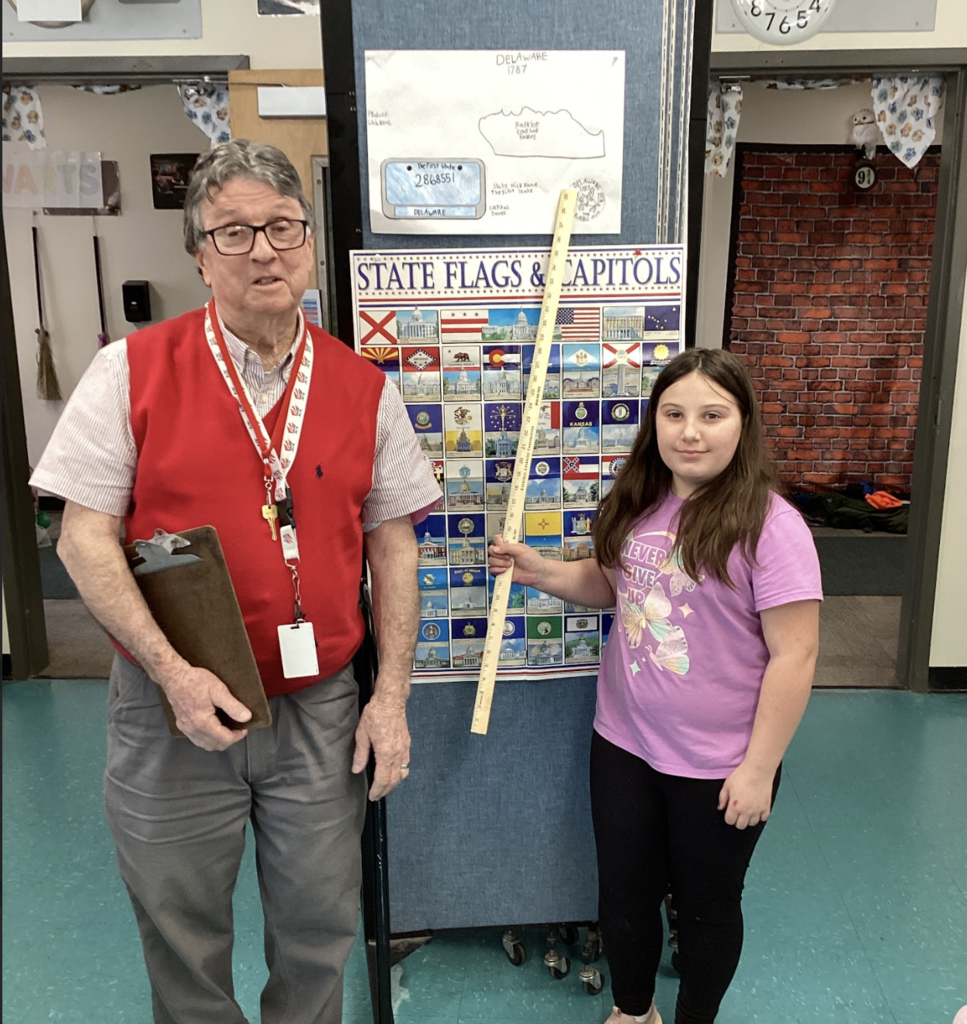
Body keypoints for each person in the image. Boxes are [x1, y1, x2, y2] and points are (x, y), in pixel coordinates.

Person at [29, 139, 441, 1024]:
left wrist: (392, 698)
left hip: (319, 706)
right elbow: (83, 539)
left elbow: (394, 543)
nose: (263, 250)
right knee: (179, 924)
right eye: (234, 232)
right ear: (199, 254)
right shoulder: (130, 371)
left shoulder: (363, 388)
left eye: (283, 228)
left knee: (318, 922)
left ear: (308, 243)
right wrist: (172, 674)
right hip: (169, 707)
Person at [490, 348, 822, 1024]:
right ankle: (634, 1010)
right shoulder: (639, 501)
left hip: (720, 762)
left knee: (704, 906)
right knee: (624, 894)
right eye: (673, 413)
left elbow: (796, 654)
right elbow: (613, 587)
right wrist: (538, 570)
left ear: (742, 424)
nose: (690, 431)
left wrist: (758, 769)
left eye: (710, 414)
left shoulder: (771, 526)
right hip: (624, 743)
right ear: (654, 423)